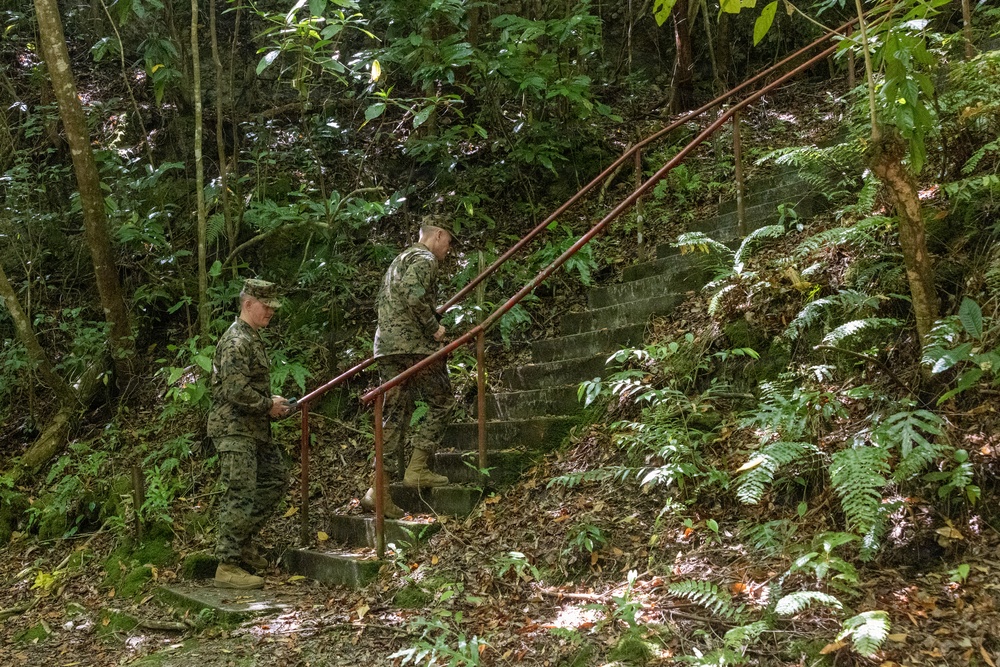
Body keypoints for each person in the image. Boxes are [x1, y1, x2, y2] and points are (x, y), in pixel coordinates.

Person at [363, 220, 456, 518]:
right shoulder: (425, 259)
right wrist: (434, 328)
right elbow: (413, 295)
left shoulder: (400, 259)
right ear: (438, 235)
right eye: (449, 242)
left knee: (394, 415)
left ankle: (378, 490)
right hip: (413, 346)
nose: (449, 250)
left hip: (387, 347)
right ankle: (416, 468)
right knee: (442, 400)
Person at [207, 278, 292, 589]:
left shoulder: (251, 338)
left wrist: (273, 404)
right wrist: (268, 405)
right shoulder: (236, 342)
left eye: (272, 307)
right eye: (266, 306)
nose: (270, 312)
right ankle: (227, 566)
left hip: (253, 431)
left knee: (275, 479)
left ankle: (241, 544)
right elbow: (234, 391)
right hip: (234, 431)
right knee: (239, 493)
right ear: (248, 304)